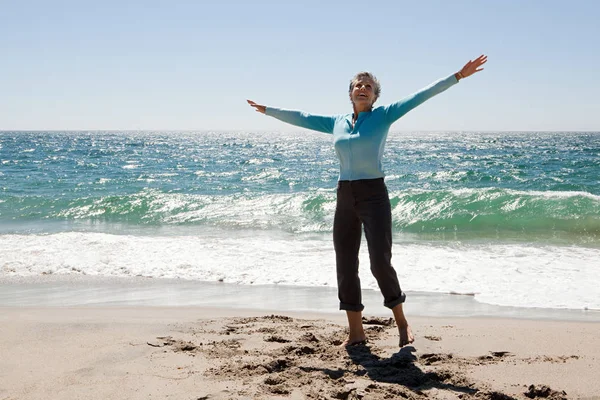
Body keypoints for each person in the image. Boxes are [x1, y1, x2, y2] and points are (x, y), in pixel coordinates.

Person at [247, 55, 487, 347]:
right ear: (350, 93)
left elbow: (420, 96)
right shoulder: (336, 122)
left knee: (379, 263)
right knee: (345, 264)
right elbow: (303, 117)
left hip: (374, 194)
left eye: (368, 86)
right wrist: (269, 110)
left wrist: (457, 76)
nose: (363, 88)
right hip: (345, 195)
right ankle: (356, 331)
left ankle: (401, 322)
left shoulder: (384, 115)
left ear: (374, 95)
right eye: (358, 85)